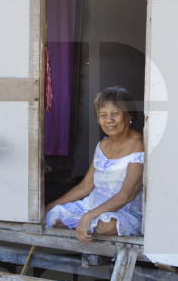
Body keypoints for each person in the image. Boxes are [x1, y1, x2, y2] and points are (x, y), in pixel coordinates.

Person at [45, 87, 144, 242]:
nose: (108, 120)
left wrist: (88, 217)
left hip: (122, 211)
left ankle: (74, 227)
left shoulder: (139, 145)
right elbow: (84, 187)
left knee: (107, 225)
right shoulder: (103, 145)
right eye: (103, 115)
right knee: (53, 214)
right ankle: (78, 227)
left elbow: (127, 195)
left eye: (115, 114)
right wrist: (48, 207)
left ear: (129, 115)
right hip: (92, 206)